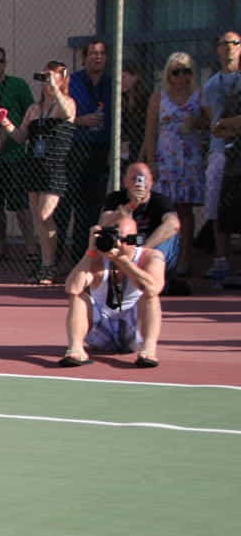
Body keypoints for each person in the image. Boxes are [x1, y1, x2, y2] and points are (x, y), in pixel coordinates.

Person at [0, 61, 77, 284]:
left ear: (62, 79)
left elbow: (67, 112)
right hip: (35, 166)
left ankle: (49, 265)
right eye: (44, 76)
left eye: (51, 76)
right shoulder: (33, 109)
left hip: (54, 167)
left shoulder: (67, 102)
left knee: (45, 214)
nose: (46, 81)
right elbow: (20, 137)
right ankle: (45, 264)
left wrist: (55, 89)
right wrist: (4, 121)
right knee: (38, 219)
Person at [60, 214, 165, 368]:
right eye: (112, 236)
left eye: (121, 238)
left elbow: (154, 289)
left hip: (133, 330)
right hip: (101, 329)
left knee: (151, 297)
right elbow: (72, 288)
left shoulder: (150, 256)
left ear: (134, 240)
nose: (116, 243)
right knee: (78, 297)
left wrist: (122, 261)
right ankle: (75, 349)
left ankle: (148, 349)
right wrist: (90, 252)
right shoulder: (96, 258)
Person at [142, 52, 205, 279]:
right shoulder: (158, 98)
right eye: (176, 71)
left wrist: (196, 122)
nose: (181, 76)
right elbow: (150, 132)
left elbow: (209, 122)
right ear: (168, 74)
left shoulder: (199, 95)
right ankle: (162, 258)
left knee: (185, 210)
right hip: (165, 160)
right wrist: (151, 162)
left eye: (186, 71)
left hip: (189, 159)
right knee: (165, 210)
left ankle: (185, 260)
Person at [56, 40, 112, 264]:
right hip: (74, 148)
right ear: (84, 58)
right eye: (93, 53)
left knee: (90, 208)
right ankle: (54, 259)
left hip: (100, 149)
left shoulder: (112, 83)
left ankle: (81, 259)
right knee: (65, 205)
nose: (97, 57)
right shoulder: (73, 82)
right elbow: (58, 114)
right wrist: (80, 120)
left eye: (101, 53)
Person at [0, 46, 35, 262]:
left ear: (5, 63)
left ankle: (31, 249)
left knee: (20, 205)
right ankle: (0, 248)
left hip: (16, 155)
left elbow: (30, 113)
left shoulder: (18, 85)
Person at [100, 162, 183, 281]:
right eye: (134, 179)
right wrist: (131, 205)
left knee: (172, 235)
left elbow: (173, 224)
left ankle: (158, 277)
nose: (139, 183)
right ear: (125, 182)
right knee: (100, 233)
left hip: (150, 245)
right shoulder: (115, 198)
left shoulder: (160, 200)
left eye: (143, 179)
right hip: (124, 245)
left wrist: (143, 250)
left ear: (151, 182)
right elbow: (103, 223)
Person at [202, 31, 241, 282]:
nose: (229, 48)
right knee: (217, 203)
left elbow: (223, 124)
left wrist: (228, 124)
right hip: (219, 151)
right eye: (224, 43)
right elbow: (211, 123)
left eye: (234, 43)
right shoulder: (211, 85)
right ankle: (221, 259)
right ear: (217, 49)